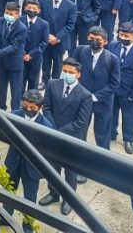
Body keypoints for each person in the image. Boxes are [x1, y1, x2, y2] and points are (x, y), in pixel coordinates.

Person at [0, 90, 52, 233]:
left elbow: (46, 152)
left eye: (32, 108)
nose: (28, 110)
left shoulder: (47, 126)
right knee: (9, 191)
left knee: (30, 198)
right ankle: (5, 217)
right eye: (25, 106)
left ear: (40, 107)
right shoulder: (15, 115)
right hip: (14, 162)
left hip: (32, 168)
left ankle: (28, 226)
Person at [39, 58, 93, 215]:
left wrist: (59, 132)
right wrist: (52, 128)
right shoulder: (52, 84)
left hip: (71, 138)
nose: (67, 74)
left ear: (78, 74)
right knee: (53, 168)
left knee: (70, 171)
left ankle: (69, 199)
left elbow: (81, 122)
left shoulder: (85, 95)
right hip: (53, 133)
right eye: (65, 71)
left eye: (71, 72)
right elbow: (47, 107)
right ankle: (54, 193)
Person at [77, 26, 121, 150]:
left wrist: (95, 97)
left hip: (103, 102)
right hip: (83, 99)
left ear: (105, 42)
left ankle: (103, 157)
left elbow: (114, 83)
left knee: (102, 134)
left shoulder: (112, 59)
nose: (94, 42)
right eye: (92, 38)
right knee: (80, 129)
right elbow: (74, 71)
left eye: (98, 39)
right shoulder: (80, 51)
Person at [109, 21, 133, 154]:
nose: (124, 38)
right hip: (113, 89)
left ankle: (128, 139)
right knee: (111, 113)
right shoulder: (113, 46)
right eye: (121, 35)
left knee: (129, 117)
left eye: (127, 36)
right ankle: (111, 133)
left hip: (129, 92)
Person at [0, 1, 27, 110]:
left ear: (17, 15)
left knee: (16, 92)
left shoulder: (22, 28)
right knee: (1, 89)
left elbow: (14, 46)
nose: (8, 15)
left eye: (11, 14)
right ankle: (0, 110)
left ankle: (15, 113)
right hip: (2, 63)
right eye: (6, 12)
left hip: (15, 64)